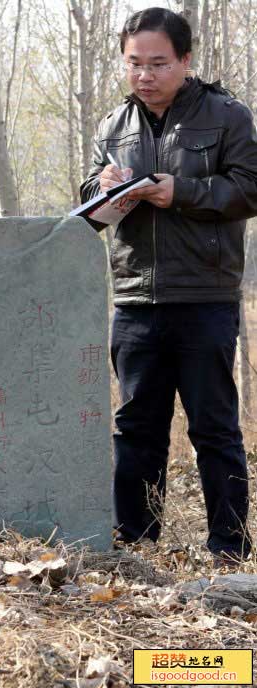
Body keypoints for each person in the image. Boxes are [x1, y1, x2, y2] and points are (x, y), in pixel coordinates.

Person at [81, 7, 257, 562]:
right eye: (134, 63)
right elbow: (86, 206)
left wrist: (176, 191)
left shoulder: (227, 116)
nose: (145, 75)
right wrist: (104, 185)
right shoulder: (114, 126)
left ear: (185, 59)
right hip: (133, 299)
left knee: (214, 428)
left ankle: (229, 547)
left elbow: (248, 191)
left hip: (204, 297)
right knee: (135, 429)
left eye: (158, 63)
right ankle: (134, 544)